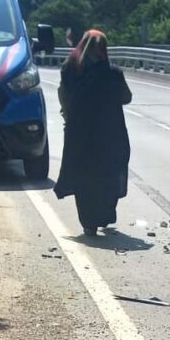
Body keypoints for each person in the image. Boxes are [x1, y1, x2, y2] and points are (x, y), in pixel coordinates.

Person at [53, 29, 131, 235]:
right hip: (109, 134)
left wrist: (68, 114)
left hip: (78, 133)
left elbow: (63, 94)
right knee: (109, 172)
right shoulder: (112, 73)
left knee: (83, 175)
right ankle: (104, 214)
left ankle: (88, 222)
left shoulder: (70, 69)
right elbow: (126, 97)